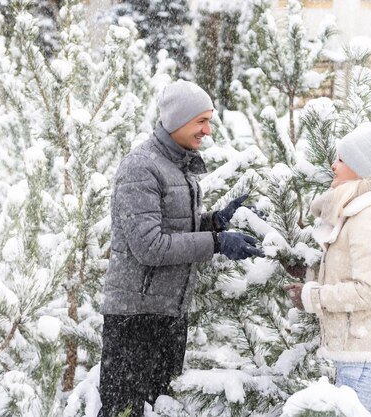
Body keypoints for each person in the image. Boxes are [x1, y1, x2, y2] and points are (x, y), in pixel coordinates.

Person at [98, 80, 264, 417]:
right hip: (135, 318)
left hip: (169, 315)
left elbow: (174, 229)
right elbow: (150, 246)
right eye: (200, 121)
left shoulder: (177, 166)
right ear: (176, 120)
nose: (208, 130)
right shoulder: (141, 167)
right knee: (124, 412)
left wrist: (216, 221)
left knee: (161, 407)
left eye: (209, 121)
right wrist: (216, 243)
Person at [284, 122, 371, 417]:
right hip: (360, 355)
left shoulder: (369, 217)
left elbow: (369, 291)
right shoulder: (358, 210)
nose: (333, 165)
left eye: (341, 159)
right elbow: (351, 273)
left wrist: (312, 297)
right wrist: (309, 275)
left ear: (361, 167)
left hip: (366, 359)